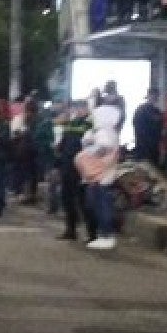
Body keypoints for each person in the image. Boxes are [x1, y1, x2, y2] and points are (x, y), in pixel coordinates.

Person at [79, 104, 122, 251]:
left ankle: (106, 235)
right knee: (96, 205)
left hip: (101, 175)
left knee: (101, 206)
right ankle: (103, 234)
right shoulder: (107, 132)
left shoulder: (104, 132)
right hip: (101, 175)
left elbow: (101, 148)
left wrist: (88, 149)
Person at [56, 100, 96, 243]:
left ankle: (92, 234)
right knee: (67, 199)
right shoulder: (71, 124)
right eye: (75, 108)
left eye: (80, 108)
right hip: (67, 167)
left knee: (84, 202)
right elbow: (63, 144)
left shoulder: (90, 124)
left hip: (82, 169)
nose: (77, 110)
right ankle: (70, 229)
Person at [133, 88, 164, 169]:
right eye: (154, 95)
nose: (156, 97)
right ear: (149, 96)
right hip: (145, 149)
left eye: (157, 96)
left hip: (151, 150)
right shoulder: (142, 110)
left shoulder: (157, 111)